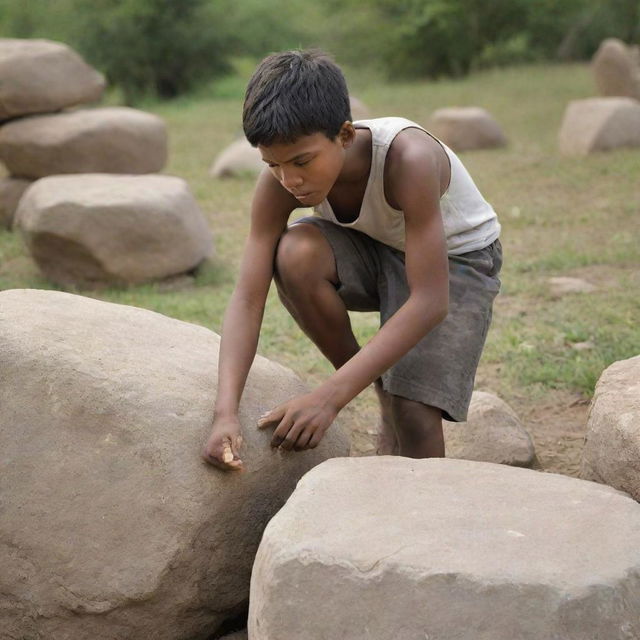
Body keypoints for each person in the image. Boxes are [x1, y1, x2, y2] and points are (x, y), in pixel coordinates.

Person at [202, 49, 502, 471]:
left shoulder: (408, 158)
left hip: (456, 260)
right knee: (293, 254)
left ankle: (426, 518)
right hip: (371, 247)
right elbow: (248, 298)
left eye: (302, 161)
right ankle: (380, 388)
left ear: (344, 135)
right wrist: (224, 413)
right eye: (273, 165)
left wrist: (328, 398)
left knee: (414, 414)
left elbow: (430, 301)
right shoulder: (280, 182)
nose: (290, 180)